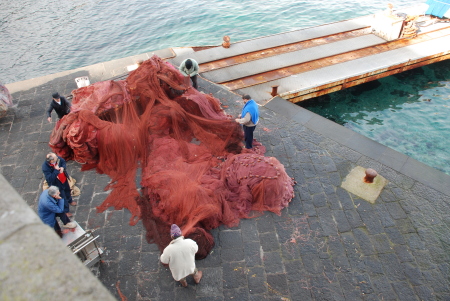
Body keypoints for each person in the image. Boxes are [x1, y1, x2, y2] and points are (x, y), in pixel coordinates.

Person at [42, 152, 77, 217]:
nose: (57, 157)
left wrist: (63, 168)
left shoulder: (57, 159)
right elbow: (50, 178)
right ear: (51, 160)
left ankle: (70, 200)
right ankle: (66, 211)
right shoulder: (45, 167)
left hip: (64, 180)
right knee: (62, 198)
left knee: (67, 190)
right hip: (56, 184)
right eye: (55, 157)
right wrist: (56, 170)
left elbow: (63, 161)